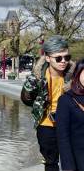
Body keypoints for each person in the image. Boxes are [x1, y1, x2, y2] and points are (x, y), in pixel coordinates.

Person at [21, 35, 76, 171]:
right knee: (51, 162)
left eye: (66, 57)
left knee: (72, 159)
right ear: (47, 58)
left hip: (70, 124)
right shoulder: (38, 78)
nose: (63, 61)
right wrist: (34, 97)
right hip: (46, 125)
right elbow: (26, 99)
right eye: (58, 58)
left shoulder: (74, 75)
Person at [56, 58, 84, 171]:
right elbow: (63, 138)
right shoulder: (66, 100)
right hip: (79, 160)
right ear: (78, 73)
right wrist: (68, 167)